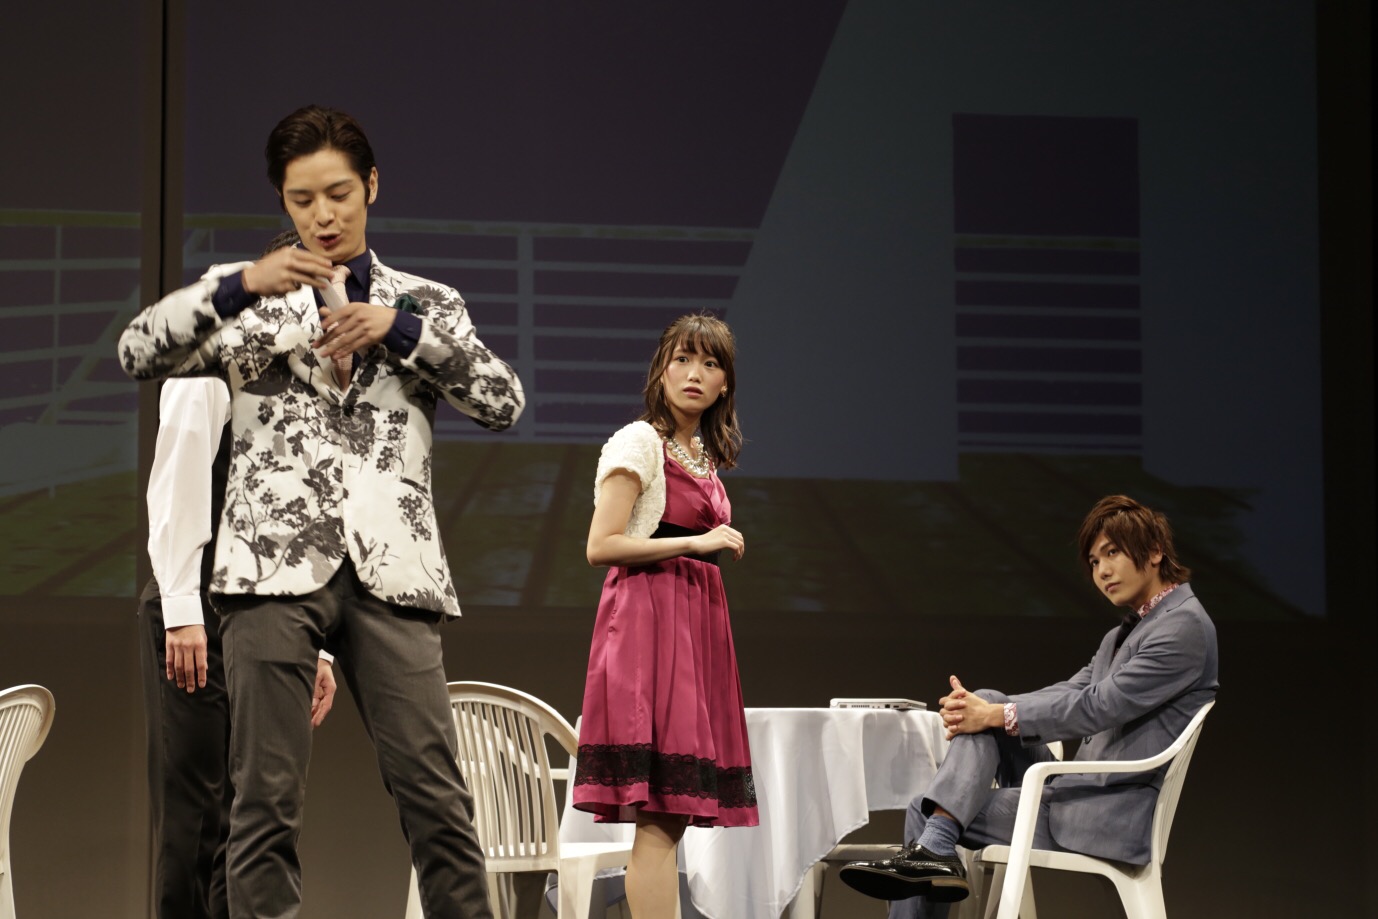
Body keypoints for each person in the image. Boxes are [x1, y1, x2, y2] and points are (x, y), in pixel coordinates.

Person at [119, 105, 524, 919]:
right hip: (269, 573)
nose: (324, 215)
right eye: (302, 200)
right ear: (283, 201)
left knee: (438, 798)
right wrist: (238, 284)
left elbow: (502, 400)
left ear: (371, 185)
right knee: (263, 805)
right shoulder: (248, 303)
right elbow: (137, 349)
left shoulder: (427, 302)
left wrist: (399, 330)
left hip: (393, 576)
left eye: (338, 193)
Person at [840, 495, 1219, 917]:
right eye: (1094, 561)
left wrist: (996, 715)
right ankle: (935, 847)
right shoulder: (1122, 635)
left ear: (1155, 551)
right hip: (1078, 794)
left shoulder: (1182, 625)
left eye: (1112, 553)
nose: (1102, 571)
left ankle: (935, 845)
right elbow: (1069, 690)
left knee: (928, 809)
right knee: (988, 702)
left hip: (1106, 815)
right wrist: (982, 709)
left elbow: (1098, 706)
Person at [138, 231, 337, 919]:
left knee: (259, 809)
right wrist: (182, 609)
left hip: (276, 609)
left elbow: (314, 513)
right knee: (198, 808)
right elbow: (180, 476)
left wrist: (321, 644)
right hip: (199, 604)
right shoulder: (214, 354)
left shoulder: (315, 383)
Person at [572, 312, 759, 919]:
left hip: (693, 629)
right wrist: (696, 543)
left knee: (669, 820)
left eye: (710, 364)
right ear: (662, 369)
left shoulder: (701, 454)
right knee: (659, 818)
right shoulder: (639, 442)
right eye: (683, 359)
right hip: (648, 628)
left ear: (725, 384)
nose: (694, 374)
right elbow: (601, 545)